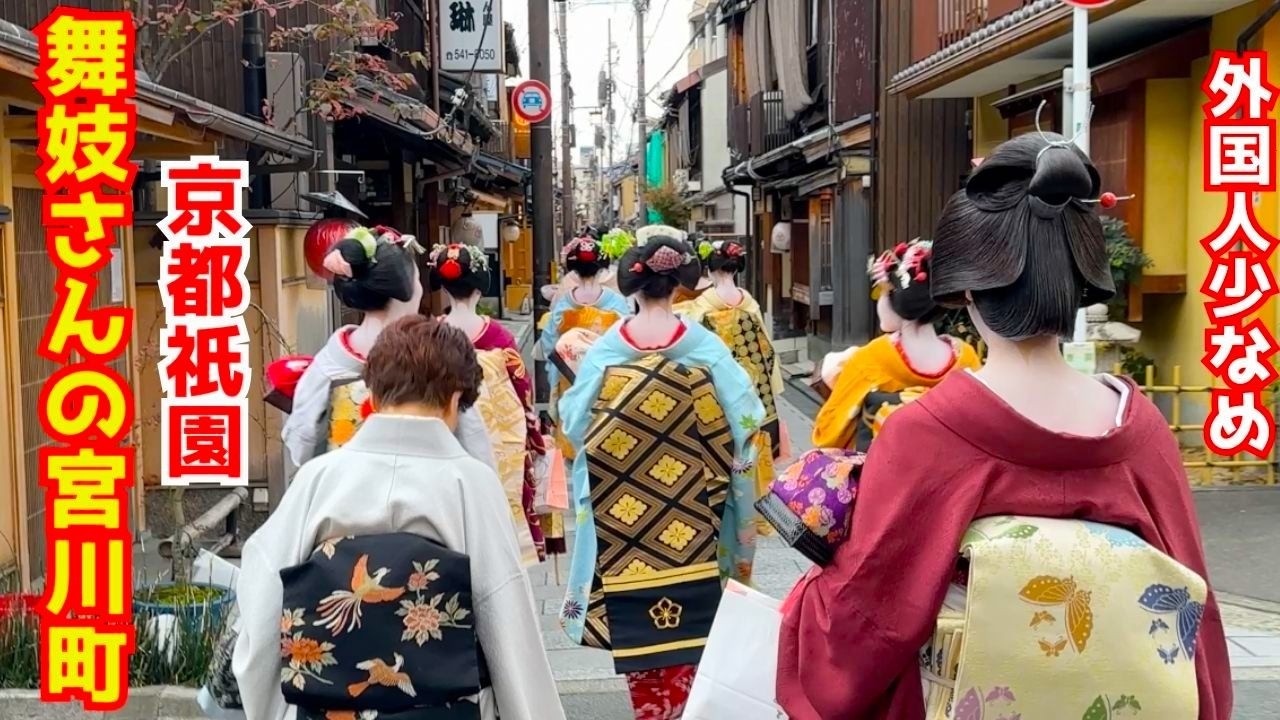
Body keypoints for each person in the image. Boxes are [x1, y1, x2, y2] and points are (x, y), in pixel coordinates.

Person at [777, 134, 1231, 719]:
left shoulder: (927, 433)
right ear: (1079, 283)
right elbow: (1197, 620)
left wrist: (809, 601)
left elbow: (864, 627)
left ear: (964, 286)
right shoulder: (1143, 432)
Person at [233, 316, 565, 720]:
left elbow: (265, 596)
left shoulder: (318, 478)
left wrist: (276, 711)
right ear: (455, 398)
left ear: (372, 392)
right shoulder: (471, 483)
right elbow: (507, 620)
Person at [557, 232, 765, 720]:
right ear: (679, 288)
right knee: (698, 633)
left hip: (621, 515)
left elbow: (572, 422)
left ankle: (652, 711)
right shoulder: (703, 346)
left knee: (640, 639)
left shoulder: (607, 349)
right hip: (698, 514)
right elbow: (748, 421)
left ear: (632, 286)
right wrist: (732, 475)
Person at [279, 226, 496, 473]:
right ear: (404, 290)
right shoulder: (437, 358)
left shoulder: (328, 365)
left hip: (343, 498)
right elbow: (475, 450)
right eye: (416, 280)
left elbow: (301, 445)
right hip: (428, 499)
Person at [432, 242, 547, 567]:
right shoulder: (499, 338)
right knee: (499, 522)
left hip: (446, 439)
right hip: (499, 447)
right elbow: (523, 394)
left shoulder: (431, 336)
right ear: (482, 285)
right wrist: (535, 436)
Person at [810, 238, 980, 452]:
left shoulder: (870, 360)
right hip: (953, 478)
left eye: (881, 292)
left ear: (896, 298)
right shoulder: (967, 357)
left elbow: (826, 436)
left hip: (884, 476)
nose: (879, 301)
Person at [676, 237, 785, 535]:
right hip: (751, 389)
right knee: (751, 446)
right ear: (736, 269)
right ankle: (757, 510)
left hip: (715, 392)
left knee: (719, 450)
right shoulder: (750, 304)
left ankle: (722, 508)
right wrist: (771, 390)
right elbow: (767, 353)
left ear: (709, 270)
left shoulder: (699, 308)